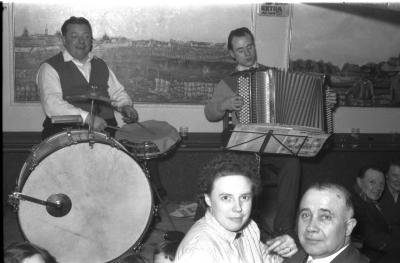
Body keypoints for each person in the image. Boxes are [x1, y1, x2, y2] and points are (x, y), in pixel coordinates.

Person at [203, 26, 301, 239]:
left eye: (250, 47)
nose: (247, 53)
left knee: (292, 163)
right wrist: (224, 104)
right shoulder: (228, 82)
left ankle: (283, 227)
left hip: (271, 141)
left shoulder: (273, 75)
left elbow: (295, 102)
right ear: (232, 54)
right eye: (240, 50)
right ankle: (243, 227)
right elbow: (210, 113)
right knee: (245, 167)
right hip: (242, 144)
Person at [175, 152, 298, 263]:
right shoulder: (200, 254)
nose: (238, 208)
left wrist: (289, 254)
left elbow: (269, 260)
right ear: (208, 199)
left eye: (244, 197)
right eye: (226, 198)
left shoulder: (249, 227)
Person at [36, 16, 138, 140]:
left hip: (107, 132)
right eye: (74, 36)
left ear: (91, 40)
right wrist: (88, 118)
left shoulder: (101, 64)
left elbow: (117, 93)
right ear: (64, 40)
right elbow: (52, 104)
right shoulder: (49, 68)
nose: (81, 41)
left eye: (86, 36)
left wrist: (126, 106)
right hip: (65, 135)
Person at [295, 182, 369, 263]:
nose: (310, 227)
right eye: (305, 215)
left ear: (348, 227)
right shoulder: (292, 257)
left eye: (325, 217)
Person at [351, 165, 400, 262]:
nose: (378, 188)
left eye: (381, 184)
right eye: (372, 182)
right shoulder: (354, 205)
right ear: (359, 181)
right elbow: (373, 239)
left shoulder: (368, 200)